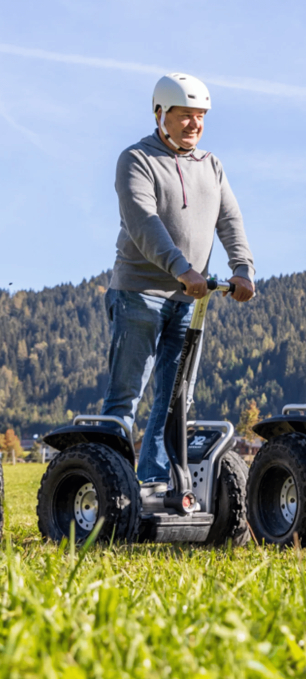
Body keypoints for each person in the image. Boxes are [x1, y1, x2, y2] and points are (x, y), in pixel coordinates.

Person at [103, 73, 256, 485]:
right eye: (185, 115)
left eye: (200, 116)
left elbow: (230, 219)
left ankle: (154, 480)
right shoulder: (136, 159)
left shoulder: (211, 165)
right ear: (160, 114)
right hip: (140, 293)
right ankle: (109, 482)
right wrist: (181, 269)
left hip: (191, 300)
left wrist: (242, 266)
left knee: (175, 397)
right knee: (126, 397)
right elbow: (143, 222)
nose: (194, 124)